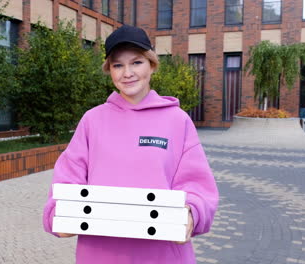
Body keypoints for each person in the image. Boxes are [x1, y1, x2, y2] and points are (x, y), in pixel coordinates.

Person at [43, 25, 218, 264]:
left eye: (136, 62)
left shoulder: (178, 121)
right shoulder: (92, 120)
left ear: (152, 65)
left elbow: (198, 186)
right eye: (118, 65)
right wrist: (59, 214)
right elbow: (67, 179)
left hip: (162, 255)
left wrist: (192, 213)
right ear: (110, 71)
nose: (127, 73)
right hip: (100, 254)